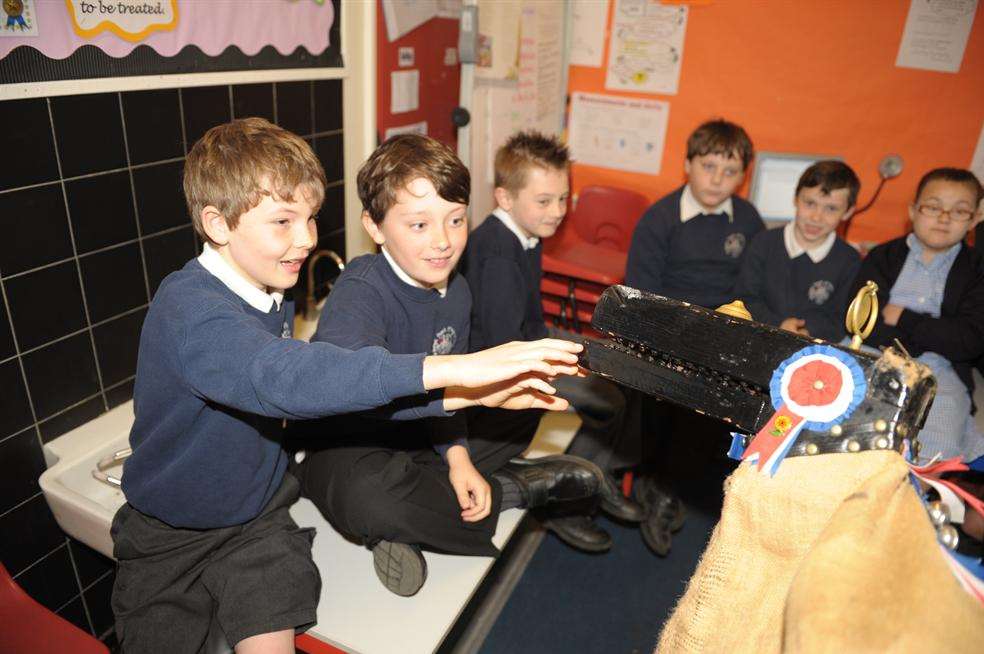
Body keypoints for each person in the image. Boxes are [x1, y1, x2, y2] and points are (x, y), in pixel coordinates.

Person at [110, 118, 584, 653]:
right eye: (284, 221)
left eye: (310, 218)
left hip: (256, 519)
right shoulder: (189, 309)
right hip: (169, 532)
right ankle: (512, 489)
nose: (308, 239)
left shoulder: (271, 287)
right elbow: (283, 378)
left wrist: (471, 397)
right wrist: (457, 371)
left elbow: (351, 394)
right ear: (217, 224)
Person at [293, 134, 623, 596]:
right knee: (367, 499)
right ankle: (517, 489)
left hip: (417, 439)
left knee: (525, 406)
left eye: (455, 219)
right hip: (352, 443)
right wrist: (455, 422)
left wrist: (459, 457)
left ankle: (419, 515)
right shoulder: (359, 289)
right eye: (419, 225)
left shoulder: (458, 291)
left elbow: (449, 407)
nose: (444, 242)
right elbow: (355, 390)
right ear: (375, 225)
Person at [460, 131, 643, 554]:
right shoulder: (498, 256)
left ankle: (600, 475)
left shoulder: (526, 233)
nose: (558, 212)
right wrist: (567, 364)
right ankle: (570, 499)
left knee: (624, 370)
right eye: (545, 201)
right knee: (609, 400)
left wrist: (579, 352)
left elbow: (534, 323)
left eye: (564, 198)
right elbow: (506, 351)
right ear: (505, 198)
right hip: (507, 365)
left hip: (531, 340)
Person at [850, 167, 984, 463]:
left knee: (939, 439)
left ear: (974, 219)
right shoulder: (882, 257)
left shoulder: (976, 270)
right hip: (876, 353)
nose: (944, 217)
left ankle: (916, 500)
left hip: (942, 370)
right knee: (839, 406)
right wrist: (933, 331)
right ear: (913, 211)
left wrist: (903, 317)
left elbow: (969, 340)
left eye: (959, 211)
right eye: (933, 207)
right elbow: (862, 320)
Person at [625, 118, 764, 309]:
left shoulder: (749, 219)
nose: (717, 180)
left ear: (743, 177)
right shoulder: (658, 219)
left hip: (728, 324)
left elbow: (756, 286)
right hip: (668, 320)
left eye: (730, 172)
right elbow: (640, 294)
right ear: (688, 165)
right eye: (708, 166)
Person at [735, 160, 861, 341]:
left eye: (831, 208)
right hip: (757, 336)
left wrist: (807, 331)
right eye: (810, 203)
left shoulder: (849, 261)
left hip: (813, 347)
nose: (816, 217)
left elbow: (841, 319)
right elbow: (744, 298)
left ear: (848, 212)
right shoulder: (763, 243)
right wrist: (779, 324)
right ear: (795, 198)